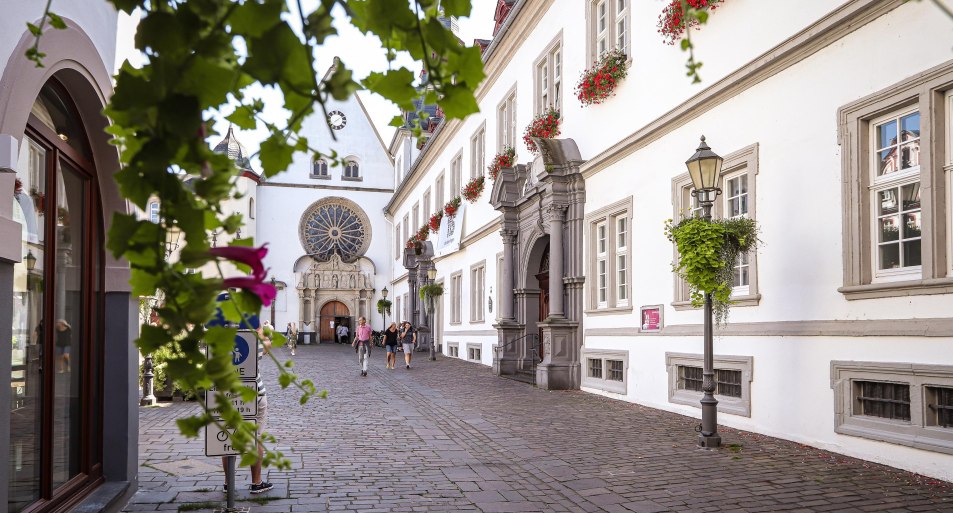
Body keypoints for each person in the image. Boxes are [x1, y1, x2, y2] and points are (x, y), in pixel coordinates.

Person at [222, 323, 273, 494]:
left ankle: (229, 483)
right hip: (254, 394)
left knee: (229, 440)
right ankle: (256, 482)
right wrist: (262, 330)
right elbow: (267, 344)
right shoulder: (253, 344)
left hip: (227, 395)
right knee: (255, 438)